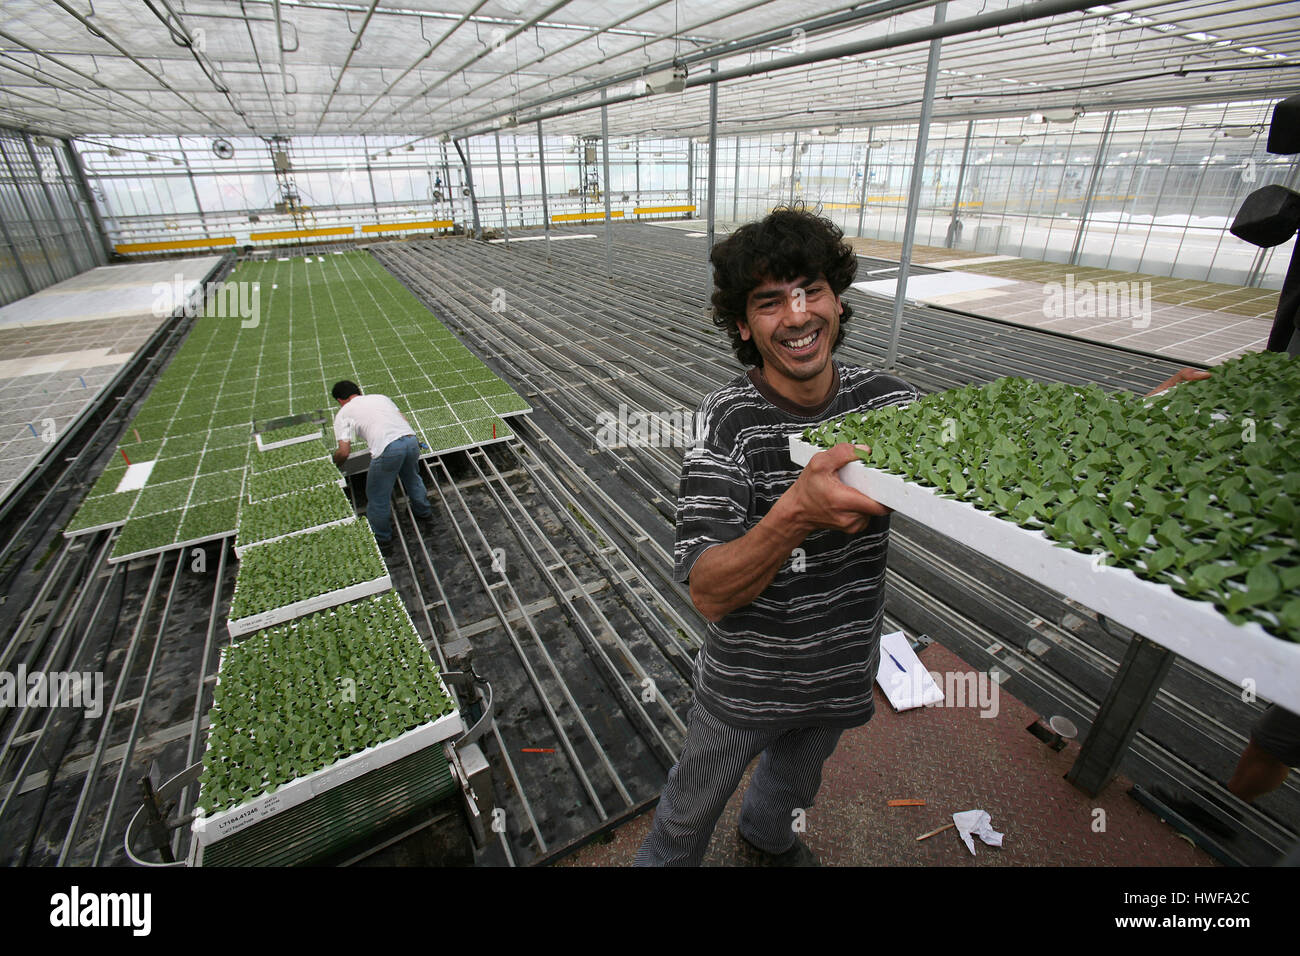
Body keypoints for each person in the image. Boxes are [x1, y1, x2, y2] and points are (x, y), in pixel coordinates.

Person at [634, 205, 919, 867]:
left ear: (838, 303)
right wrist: (795, 514)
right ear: (743, 325)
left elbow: (999, 465)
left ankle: (766, 840)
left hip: (842, 671)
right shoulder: (729, 423)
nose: (796, 316)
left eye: (811, 290)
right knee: (685, 817)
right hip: (750, 685)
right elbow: (708, 590)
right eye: (769, 302)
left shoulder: (890, 402)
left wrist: (1146, 419)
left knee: (793, 785)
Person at [331, 380, 434, 546]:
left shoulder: (344, 413)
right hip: (410, 439)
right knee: (413, 479)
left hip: (388, 448)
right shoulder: (381, 398)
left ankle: (381, 537)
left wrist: (333, 465)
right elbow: (403, 419)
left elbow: (344, 452)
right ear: (359, 392)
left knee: (378, 495)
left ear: (340, 400)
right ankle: (424, 512)